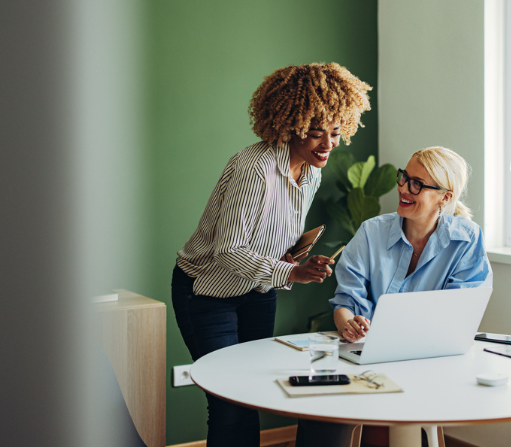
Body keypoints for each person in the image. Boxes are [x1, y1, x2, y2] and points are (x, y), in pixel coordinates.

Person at [171, 62, 372, 447]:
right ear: (289, 125)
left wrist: (298, 262)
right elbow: (228, 249)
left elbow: (271, 239)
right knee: (229, 402)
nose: (327, 145)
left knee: (249, 393)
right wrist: (291, 274)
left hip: (258, 291)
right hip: (206, 293)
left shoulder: (310, 172)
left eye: (334, 133)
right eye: (316, 134)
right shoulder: (255, 168)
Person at [295, 146, 492, 447]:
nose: (403, 188)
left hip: (429, 361)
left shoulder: (467, 239)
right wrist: (349, 323)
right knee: (321, 400)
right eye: (404, 177)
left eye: (417, 184)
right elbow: (346, 301)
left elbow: (459, 312)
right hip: (365, 354)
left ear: (446, 197)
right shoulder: (371, 232)